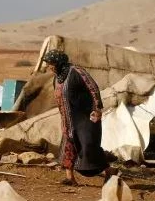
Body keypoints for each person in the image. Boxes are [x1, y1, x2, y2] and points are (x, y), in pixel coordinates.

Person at [42, 49, 116, 186]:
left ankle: (109, 172)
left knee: (89, 147)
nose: (48, 66)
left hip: (85, 118)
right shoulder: (57, 78)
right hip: (68, 120)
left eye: (50, 63)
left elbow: (93, 87)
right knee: (68, 147)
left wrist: (97, 108)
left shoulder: (77, 71)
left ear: (58, 62)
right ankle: (70, 178)